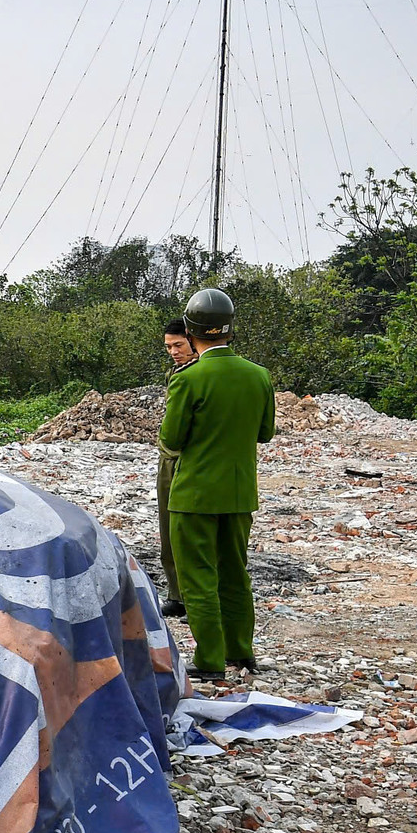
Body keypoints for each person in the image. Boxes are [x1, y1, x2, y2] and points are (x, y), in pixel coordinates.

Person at [158, 288, 274, 683]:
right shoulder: (259, 376)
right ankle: (242, 652)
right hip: (240, 494)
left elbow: (173, 439)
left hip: (194, 494)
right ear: (229, 328)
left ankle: (209, 658)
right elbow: (265, 433)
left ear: (191, 331)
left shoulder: (189, 379)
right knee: (235, 573)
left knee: (198, 577)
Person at [156, 317, 200, 617]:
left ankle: (196, 598)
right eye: (169, 347)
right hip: (168, 458)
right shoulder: (177, 373)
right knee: (168, 528)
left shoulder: (200, 375)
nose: (173, 351)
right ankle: (176, 593)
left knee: (191, 532)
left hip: (190, 458)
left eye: (179, 345)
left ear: (193, 342)